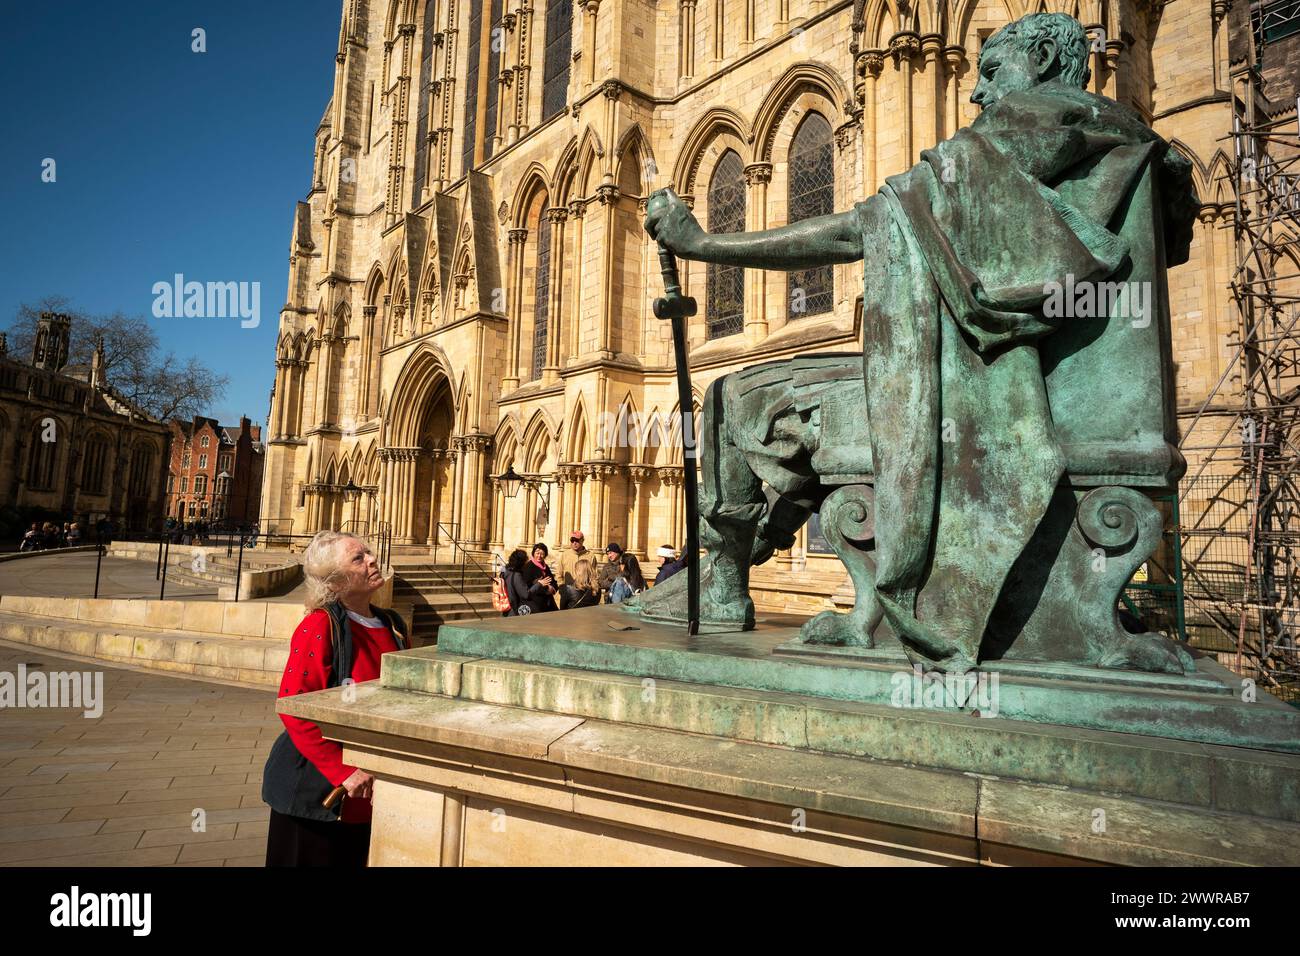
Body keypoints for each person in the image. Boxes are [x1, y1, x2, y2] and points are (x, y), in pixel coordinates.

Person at [643, 13, 1198, 669]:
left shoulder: (1030, 129)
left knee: (739, 396)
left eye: (992, 72)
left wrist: (703, 245)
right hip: (1030, 385)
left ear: (1045, 57)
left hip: (980, 394)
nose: (977, 94)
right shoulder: (1120, 142)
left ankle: (724, 579)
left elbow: (859, 230)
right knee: (786, 402)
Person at [262, 530, 409, 867]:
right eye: (358, 558)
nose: (372, 560)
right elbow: (293, 707)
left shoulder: (392, 624)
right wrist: (342, 771)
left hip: (370, 789)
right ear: (336, 580)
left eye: (369, 553)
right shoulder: (319, 625)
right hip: (320, 792)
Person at [557, 531, 598, 609]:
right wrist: (562, 588)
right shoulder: (565, 555)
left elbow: (594, 575)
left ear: (582, 540)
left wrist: (593, 590)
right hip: (568, 593)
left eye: (577, 540)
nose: (574, 543)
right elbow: (559, 574)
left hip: (585, 594)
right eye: (572, 540)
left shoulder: (590, 556)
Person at [518, 543, 558, 613]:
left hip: (548, 603)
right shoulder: (528, 567)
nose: (539, 556)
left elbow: (553, 581)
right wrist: (543, 587)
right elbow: (526, 586)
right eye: (537, 553)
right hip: (534, 603)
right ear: (533, 553)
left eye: (542, 554)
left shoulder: (545, 567)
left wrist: (552, 588)